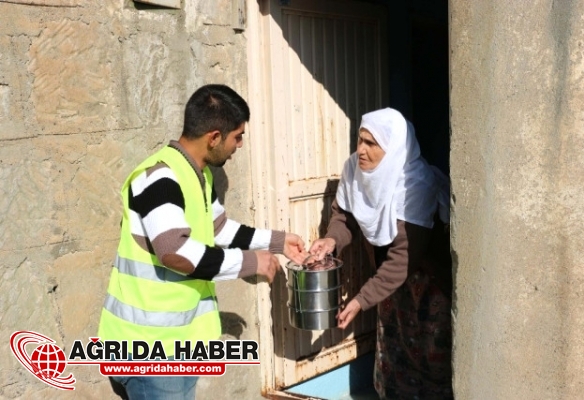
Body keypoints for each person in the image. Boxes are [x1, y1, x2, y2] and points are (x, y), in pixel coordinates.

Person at [98, 84, 308, 399]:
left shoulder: (197, 174)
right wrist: (250, 263)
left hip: (176, 345)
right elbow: (174, 252)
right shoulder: (160, 179)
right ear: (214, 137)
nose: (239, 145)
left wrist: (278, 242)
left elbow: (219, 229)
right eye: (237, 137)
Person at [309, 108, 453, 399]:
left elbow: (402, 259)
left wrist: (361, 299)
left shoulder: (414, 185)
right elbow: (345, 216)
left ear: (393, 147)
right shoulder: (354, 170)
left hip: (425, 279)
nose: (360, 150)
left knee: (430, 351)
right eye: (359, 140)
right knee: (395, 348)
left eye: (371, 144)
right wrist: (331, 240)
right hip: (387, 279)